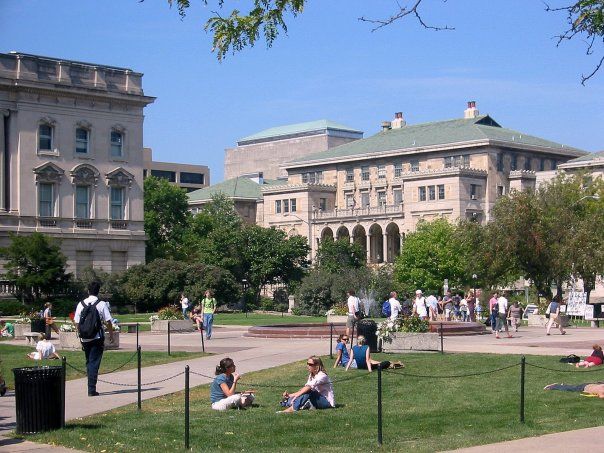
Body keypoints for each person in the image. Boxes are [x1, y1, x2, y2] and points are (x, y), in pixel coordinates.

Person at [74, 281, 114, 397]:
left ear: (88, 291)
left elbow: (76, 322)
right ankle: (91, 389)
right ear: (98, 291)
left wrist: (80, 334)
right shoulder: (101, 304)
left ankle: (90, 386)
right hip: (97, 337)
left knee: (89, 361)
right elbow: (108, 321)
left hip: (85, 337)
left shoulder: (81, 304)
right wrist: (110, 335)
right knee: (94, 363)